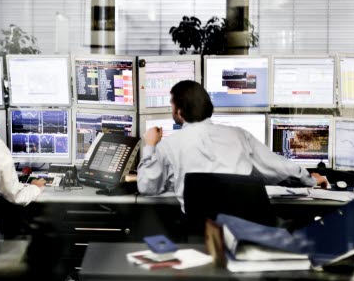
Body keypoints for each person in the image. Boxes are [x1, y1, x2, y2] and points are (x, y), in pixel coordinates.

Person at [137, 80, 328, 211]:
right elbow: (278, 166)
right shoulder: (238, 135)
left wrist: (151, 145)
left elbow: (147, 187)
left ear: (178, 110)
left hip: (202, 234)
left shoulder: (170, 145)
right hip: (247, 229)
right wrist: (310, 179)